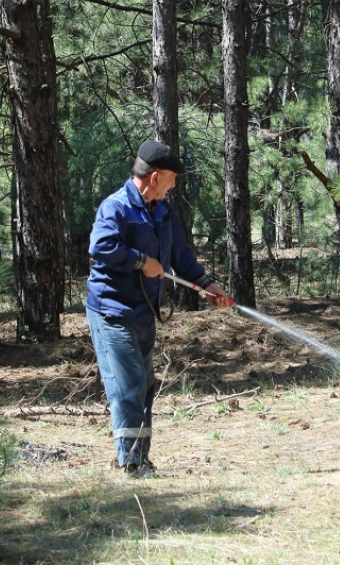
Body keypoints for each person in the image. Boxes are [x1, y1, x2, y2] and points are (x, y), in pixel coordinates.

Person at [86, 139, 230, 477]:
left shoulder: (163, 211)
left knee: (144, 386)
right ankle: (132, 463)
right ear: (155, 178)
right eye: (172, 179)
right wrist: (141, 261)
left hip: (143, 312)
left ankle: (140, 458)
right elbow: (100, 246)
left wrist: (206, 285)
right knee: (128, 385)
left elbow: (181, 255)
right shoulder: (116, 207)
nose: (174, 185)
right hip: (112, 311)